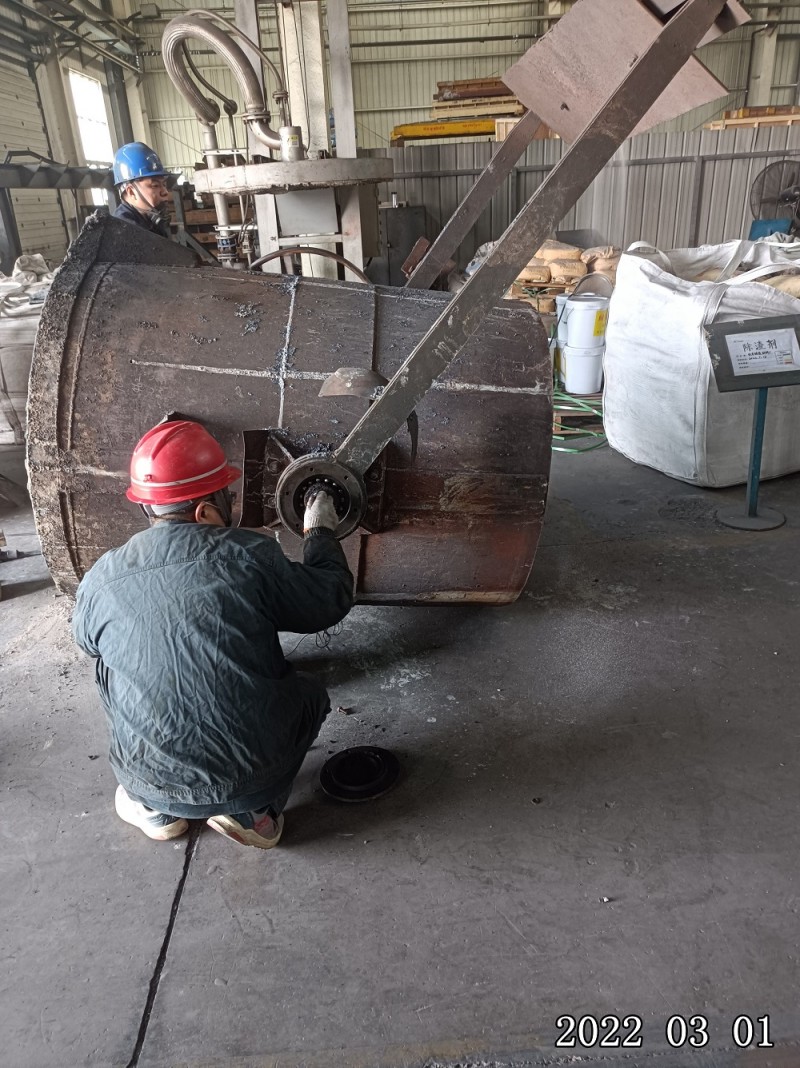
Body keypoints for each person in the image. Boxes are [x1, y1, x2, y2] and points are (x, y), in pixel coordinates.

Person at [72, 419, 354, 849]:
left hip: (147, 779)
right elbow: (328, 600)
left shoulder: (102, 575)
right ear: (206, 510)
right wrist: (320, 532)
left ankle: (156, 809)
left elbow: (86, 642)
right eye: (227, 496)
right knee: (311, 695)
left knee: (108, 665)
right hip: (250, 778)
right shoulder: (250, 555)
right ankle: (252, 813)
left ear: (148, 506)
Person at [112, 141, 173, 240]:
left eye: (164, 184)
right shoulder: (123, 231)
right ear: (131, 192)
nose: (165, 192)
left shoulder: (148, 220)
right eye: (155, 185)